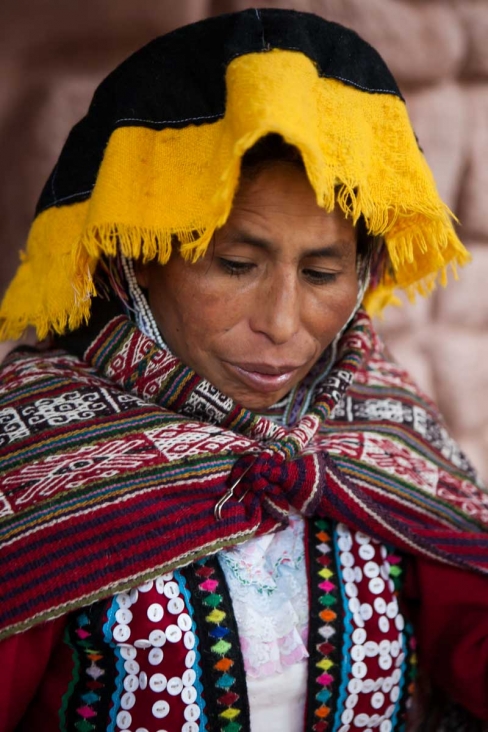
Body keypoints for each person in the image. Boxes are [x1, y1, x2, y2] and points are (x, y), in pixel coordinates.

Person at [0, 8, 487, 732]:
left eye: (323, 272)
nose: (283, 325)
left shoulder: (382, 427)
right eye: (235, 264)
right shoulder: (30, 452)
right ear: (132, 257)